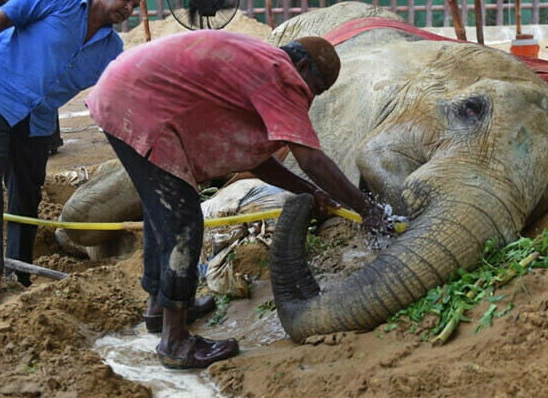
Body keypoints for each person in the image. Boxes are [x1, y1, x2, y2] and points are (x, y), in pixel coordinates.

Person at [86, 30, 394, 369]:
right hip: (138, 103)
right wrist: (368, 210)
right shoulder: (281, 75)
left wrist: (310, 191)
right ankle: (175, 342)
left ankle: (160, 310)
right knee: (183, 220)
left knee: (163, 209)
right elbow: (312, 160)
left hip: (123, 90)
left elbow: (258, 161)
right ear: (303, 67)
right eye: (316, 90)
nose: (311, 99)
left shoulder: (258, 65)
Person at [0, 0, 150, 309]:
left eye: (134, 5)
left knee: (27, 192)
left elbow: (118, 95)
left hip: (35, 120)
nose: (127, 8)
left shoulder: (111, 48)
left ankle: (18, 273)